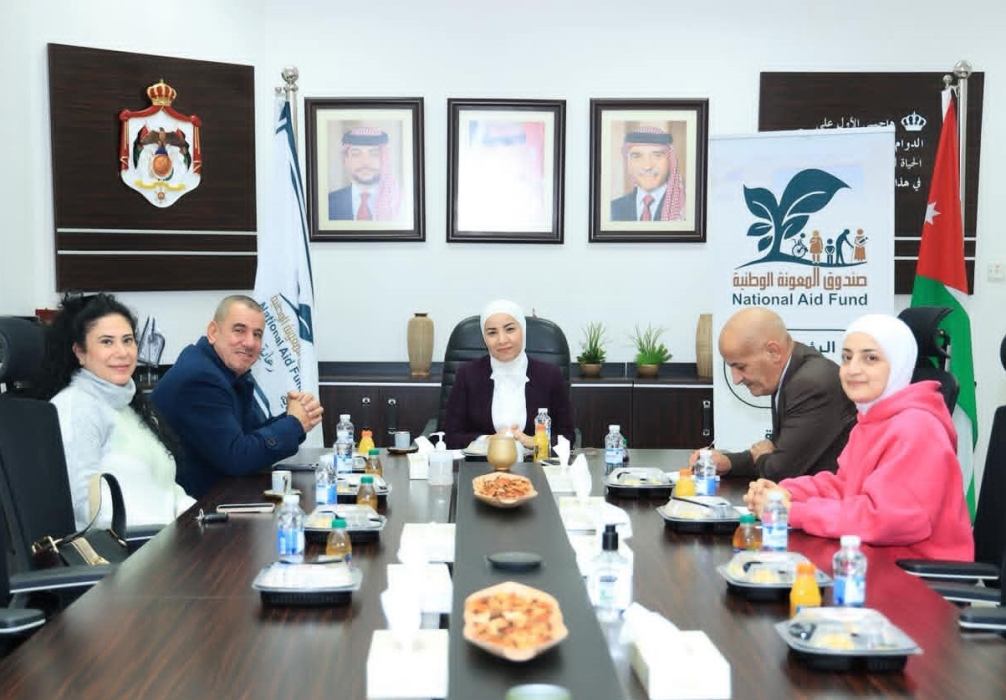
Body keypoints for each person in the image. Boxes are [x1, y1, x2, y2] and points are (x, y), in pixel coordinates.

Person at [743, 314, 973, 560]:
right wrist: (785, 492)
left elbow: (888, 520)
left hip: (916, 572)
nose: (853, 369)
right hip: (872, 558)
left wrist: (793, 512)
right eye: (846, 357)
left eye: (870, 358)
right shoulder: (871, 419)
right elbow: (844, 486)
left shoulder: (918, 428)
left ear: (899, 364)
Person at [38, 293, 196, 530]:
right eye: (107, 342)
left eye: (128, 340)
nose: (122, 352)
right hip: (125, 548)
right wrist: (158, 536)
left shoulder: (132, 404)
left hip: (167, 540)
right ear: (80, 352)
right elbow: (83, 507)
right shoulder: (75, 406)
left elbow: (165, 487)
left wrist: (193, 514)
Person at [151, 295, 323, 498]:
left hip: (215, 498)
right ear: (213, 332)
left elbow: (248, 435)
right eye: (239, 330)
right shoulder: (200, 378)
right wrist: (294, 424)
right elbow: (239, 457)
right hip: (188, 509)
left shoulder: (225, 372)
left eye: (257, 334)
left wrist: (295, 418)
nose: (250, 343)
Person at [689, 307, 856, 480]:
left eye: (741, 367)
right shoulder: (791, 372)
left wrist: (764, 456)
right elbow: (781, 455)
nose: (736, 379)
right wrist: (728, 462)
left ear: (773, 352)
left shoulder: (810, 385)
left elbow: (779, 472)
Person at [444, 299, 574, 451]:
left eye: (510, 329)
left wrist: (536, 442)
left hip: (534, 463)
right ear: (484, 338)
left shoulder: (549, 375)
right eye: (492, 333)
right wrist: (487, 440)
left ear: (522, 330)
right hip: (481, 463)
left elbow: (567, 437)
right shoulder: (467, 374)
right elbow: (451, 437)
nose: (502, 340)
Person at [610, 125, 686, 222]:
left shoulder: (685, 208)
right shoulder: (613, 209)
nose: (647, 166)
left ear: (670, 161)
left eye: (657, 155)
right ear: (628, 162)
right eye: (637, 156)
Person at [328, 126, 402, 222]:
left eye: (374, 154)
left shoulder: (399, 202)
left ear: (384, 159)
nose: (365, 162)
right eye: (356, 154)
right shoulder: (328, 203)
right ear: (345, 160)